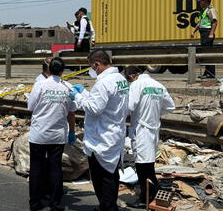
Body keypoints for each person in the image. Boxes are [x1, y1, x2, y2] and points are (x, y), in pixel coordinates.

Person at [69, 50, 129, 211]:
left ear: (97, 64)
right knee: (111, 175)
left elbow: (94, 108)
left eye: (91, 67)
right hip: (114, 133)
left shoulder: (103, 83)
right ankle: (107, 206)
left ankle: (107, 207)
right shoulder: (119, 79)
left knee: (102, 178)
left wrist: (77, 97)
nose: (91, 70)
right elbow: (103, 102)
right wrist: (85, 92)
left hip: (102, 138)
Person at [27, 57, 77, 211]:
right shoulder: (68, 87)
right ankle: (55, 204)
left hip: (39, 134)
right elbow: (71, 112)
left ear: (49, 69)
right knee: (55, 168)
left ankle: (35, 203)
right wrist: (72, 131)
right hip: (58, 135)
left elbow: (30, 107)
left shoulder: (40, 85)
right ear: (62, 70)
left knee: (36, 168)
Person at [124, 66, 175, 208]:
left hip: (141, 130)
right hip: (154, 130)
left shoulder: (136, 85)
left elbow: (130, 106)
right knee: (149, 164)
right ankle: (152, 194)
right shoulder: (158, 85)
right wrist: (156, 112)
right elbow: (170, 106)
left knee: (142, 167)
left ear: (131, 77)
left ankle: (145, 199)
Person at [191, 0, 218, 79]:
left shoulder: (211, 10)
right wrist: (194, 31)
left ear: (205, 1)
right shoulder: (203, 11)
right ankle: (207, 73)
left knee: (208, 54)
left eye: (201, 1)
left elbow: (214, 22)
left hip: (208, 33)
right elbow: (200, 23)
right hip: (203, 34)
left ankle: (211, 74)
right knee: (205, 54)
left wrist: (211, 33)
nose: (200, 3)